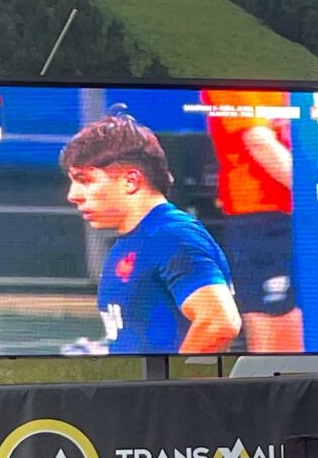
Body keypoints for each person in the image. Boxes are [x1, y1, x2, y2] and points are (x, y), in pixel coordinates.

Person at [60, 112, 241, 355]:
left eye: (86, 180)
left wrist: (169, 387)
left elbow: (219, 324)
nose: (73, 195)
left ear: (130, 180)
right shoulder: (135, 239)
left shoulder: (172, 236)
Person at [201, 88, 304, 353]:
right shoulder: (234, 83)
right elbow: (259, 142)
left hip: (304, 220)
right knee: (281, 343)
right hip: (263, 220)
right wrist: (316, 196)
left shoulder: (296, 87)